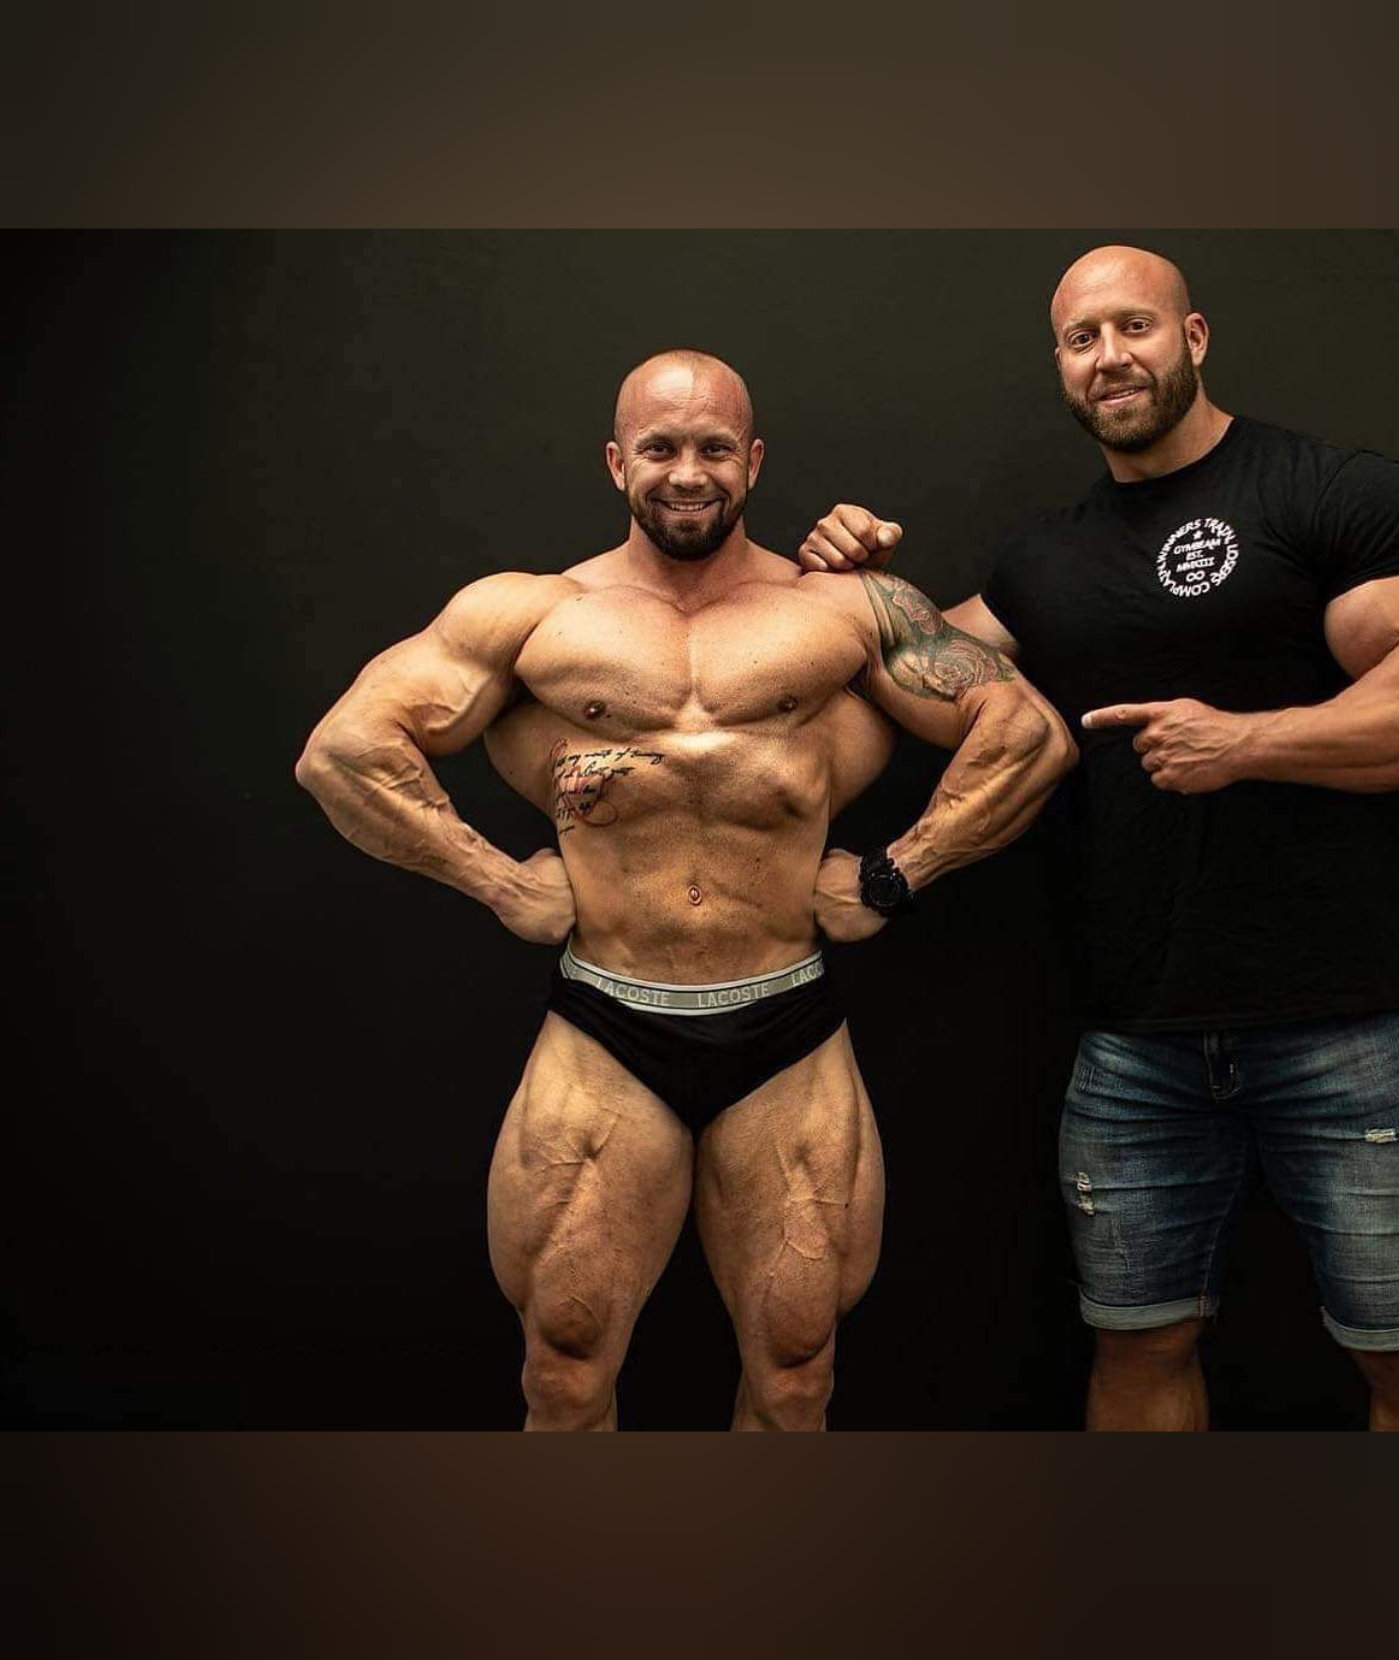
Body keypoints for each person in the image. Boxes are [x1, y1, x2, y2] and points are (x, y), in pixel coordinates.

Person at [295, 349, 1076, 1430]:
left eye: (713, 447)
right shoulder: (530, 613)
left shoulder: (845, 610)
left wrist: (900, 872)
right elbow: (344, 753)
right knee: (565, 1363)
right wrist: (495, 881)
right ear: (617, 463)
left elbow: (1027, 736)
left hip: (786, 1022)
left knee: (796, 1372)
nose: (687, 471)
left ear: (752, 461)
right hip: (607, 1022)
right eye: (659, 448)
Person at [797, 246, 1399, 1431]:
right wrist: (851, 586)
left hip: (1348, 1029)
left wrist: (1245, 743)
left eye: (1134, 326)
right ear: (1060, 366)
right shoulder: (1046, 560)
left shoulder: (1330, 492)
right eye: (1081, 339)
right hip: (1135, 1042)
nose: (1109, 357)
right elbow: (918, 672)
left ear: (1194, 336)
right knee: (1136, 1351)